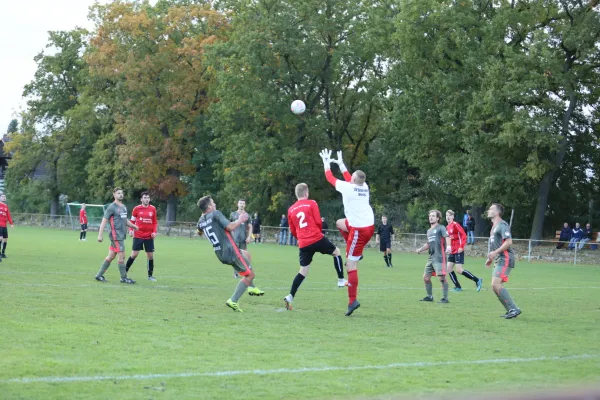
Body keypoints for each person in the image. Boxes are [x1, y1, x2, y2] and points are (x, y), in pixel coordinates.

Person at [320, 149, 375, 316]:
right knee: (339, 223)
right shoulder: (363, 186)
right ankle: (355, 252)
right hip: (367, 225)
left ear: (353, 180)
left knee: (351, 265)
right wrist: (341, 163)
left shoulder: (349, 188)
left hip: (359, 230)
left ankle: (352, 301)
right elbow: (349, 177)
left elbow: (330, 178)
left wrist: (326, 162)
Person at [283, 183, 346, 311]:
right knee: (337, 252)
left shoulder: (291, 210)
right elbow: (318, 221)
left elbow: (293, 230)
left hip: (303, 243)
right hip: (316, 238)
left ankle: (290, 296)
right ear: (306, 193)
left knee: (303, 271)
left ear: (297, 194)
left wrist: (299, 238)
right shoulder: (312, 203)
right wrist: (318, 233)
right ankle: (340, 280)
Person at [197, 195, 264, 312]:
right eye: (213, 203)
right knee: (250, 275)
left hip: (219, 252)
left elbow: (199, 232)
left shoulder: (201, 220)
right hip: (230, 250)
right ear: (209, 206)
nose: (215, 205)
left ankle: (251, 287)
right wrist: (241, 219)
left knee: (246, 254)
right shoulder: (216, 213)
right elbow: (230, 226)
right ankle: (233, 300)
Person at [95, 187, 139, 284]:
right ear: (114, 195)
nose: (121, 195)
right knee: (122, 257)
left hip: (121, 236)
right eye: (118, 193)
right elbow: (104, 221)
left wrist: (133, 226)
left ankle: (99, 275)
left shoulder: (123, 206)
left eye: (122, 193)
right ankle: (124, 278)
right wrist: (100, 235)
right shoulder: (112, 207)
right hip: (116, 236)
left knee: (111, 256)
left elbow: (125, 220)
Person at [485, 203, 521, 319]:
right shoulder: (494, 227)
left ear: (497, 212)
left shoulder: (502, 225)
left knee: (496, 284)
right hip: (498, 258)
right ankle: (511, 309)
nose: (489, 211)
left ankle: (514, 309)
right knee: (495, 286)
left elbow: (508, 242)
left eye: (491, 209)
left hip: (505, 258)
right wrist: (491, 258)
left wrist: (495, 253)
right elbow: (495, 244)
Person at [416, 210, 450, 303]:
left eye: (433, 216)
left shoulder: (441, 228)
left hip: (439, 256)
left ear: (438, 218)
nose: (431, 217)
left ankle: (445, 298)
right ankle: (429, 296)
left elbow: (447, 236)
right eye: (430, 216)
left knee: (441, 278)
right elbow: (428, 243)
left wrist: (449, 247)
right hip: (431, 257)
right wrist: (421, 249)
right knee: (426, 278)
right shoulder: (429, 231)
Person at [445, 210, 483, 292]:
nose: (448, 217)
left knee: (459, 270)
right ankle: (458, 287)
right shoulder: (447, 227)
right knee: (448, 268)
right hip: (452, 250)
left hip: (458, 250)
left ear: (453, 217)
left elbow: (463, 235)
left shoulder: (455, 225)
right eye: (446, 215)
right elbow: (449, 238)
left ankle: (477, 280)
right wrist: (448, 248)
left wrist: (461, 246)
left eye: (449, 215)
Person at [125, 192, 158, 281]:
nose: (146, 199)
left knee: (150, 256)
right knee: (134, 254)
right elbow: (132, 221)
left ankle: (150, 276)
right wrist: (131, 230)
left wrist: (154, 232)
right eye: (145, 197)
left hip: (149, 236)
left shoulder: (153, 209)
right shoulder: (136, 209)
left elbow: (155, 222)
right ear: (141, 199)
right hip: (138, 235)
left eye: (148, 197)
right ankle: (124, 272)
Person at [230, 199, 252, 277]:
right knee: (235, 256)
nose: (241, 205)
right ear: (238, 204)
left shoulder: (247, 215)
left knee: (243, 256)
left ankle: (244, 271)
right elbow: (229, 226)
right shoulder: (233, 214)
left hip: (243, 239)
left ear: (245, 205)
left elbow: (250, 226)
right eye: (240, 203)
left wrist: (249, 237)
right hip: (234, 239)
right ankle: (235, 273)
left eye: (243, 203)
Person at [0, 193, 14, 260]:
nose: (4, 198)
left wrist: (11, 223)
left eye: (4, 197)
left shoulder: (6, 206)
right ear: (0, 198)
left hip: (4, 226)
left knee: (5, 240)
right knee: (0, 238)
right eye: (2, 196)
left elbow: (8, 215)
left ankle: (3, 253)